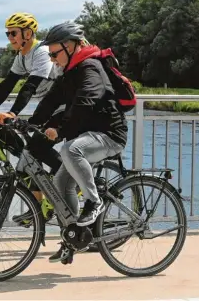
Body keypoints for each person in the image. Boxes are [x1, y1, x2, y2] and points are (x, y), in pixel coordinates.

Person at [27, 22, 128, 263]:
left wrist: (60, 130)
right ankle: (72, 239)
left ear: (71, 45)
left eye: (54, 53)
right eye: (49, 55)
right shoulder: (70, 71)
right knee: (60, 183)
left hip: (109, 134)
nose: (52, 59)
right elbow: (52, 100)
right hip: (89, 134)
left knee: (70, 149)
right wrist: (31, 122)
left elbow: (85, 102)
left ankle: (94, 201)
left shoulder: (90, 67)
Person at [0, 12, 64, 224]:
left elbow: (30, 87)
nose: (10, 37)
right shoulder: (22, 56)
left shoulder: (41, 52)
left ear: (28, 33)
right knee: (29, 154)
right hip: (49, 108)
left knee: (35, 149)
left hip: (64, 107)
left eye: (13, 33)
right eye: (8, 34)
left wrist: (13, 113)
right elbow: (7, 85)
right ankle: (40, 208)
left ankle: (65, 179)